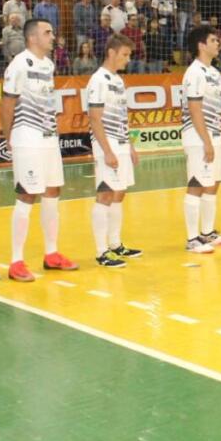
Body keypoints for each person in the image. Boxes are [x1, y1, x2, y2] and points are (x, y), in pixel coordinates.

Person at [1, 19, 78, 281]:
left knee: (53, 191)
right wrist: (9, 137)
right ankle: (16, 261)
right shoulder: (19, 64)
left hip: (48, 138)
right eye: (47, 32)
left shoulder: (48, 65)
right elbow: (8, 102)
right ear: (32, 37)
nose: (52, 36)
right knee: (27, 194)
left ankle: (51, 253)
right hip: (27, 137)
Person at [87, 35, 143, 268]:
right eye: (124, 55)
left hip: (120, 143)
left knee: (119, 193)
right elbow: (95, 118)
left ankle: (115, 243)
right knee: (105, 195)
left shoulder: (118, 81)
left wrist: (130, 146)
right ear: (111, 53)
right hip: (106, 145)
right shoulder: (98, 80)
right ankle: (101, 252)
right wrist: (107, 151)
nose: (128, 60)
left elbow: (122, 117)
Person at [182, 26, 221, 253]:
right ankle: (192, 239)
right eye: (213, 40)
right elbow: (194, 109)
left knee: (213, 182)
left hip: (214, 134)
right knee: (197, 184)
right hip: (197, 137)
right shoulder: (194, 73)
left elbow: (219, 106)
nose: (217, 44)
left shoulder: (213, 72)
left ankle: (207, 232)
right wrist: (206, 141)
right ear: (201, 45)